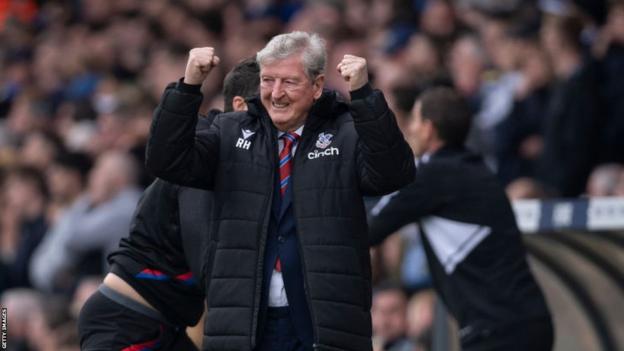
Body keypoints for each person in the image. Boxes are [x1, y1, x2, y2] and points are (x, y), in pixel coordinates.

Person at [145, 31, 415, 351]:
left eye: (288, 82)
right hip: (243, 325)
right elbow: (166, 162)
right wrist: (187, 88)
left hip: (326, 325)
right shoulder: (229, 131)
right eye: (268, 81)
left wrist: (365, 98)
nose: (276, 94)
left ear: (317, 86)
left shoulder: (346, 132)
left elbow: (393, 175)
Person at [77, 58, 261, 351]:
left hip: (164, 324)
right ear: (241, 106)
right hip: (126, 321)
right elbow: (210, 259)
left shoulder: (228, 154)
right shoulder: (204, 153)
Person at [368, 87, 553, 351]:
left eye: (415, 121)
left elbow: (369, 227)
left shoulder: (431, 174)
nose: (409, 128)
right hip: (528, 321)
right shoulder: (474, 168)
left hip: (496, 331)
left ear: (429, 129)